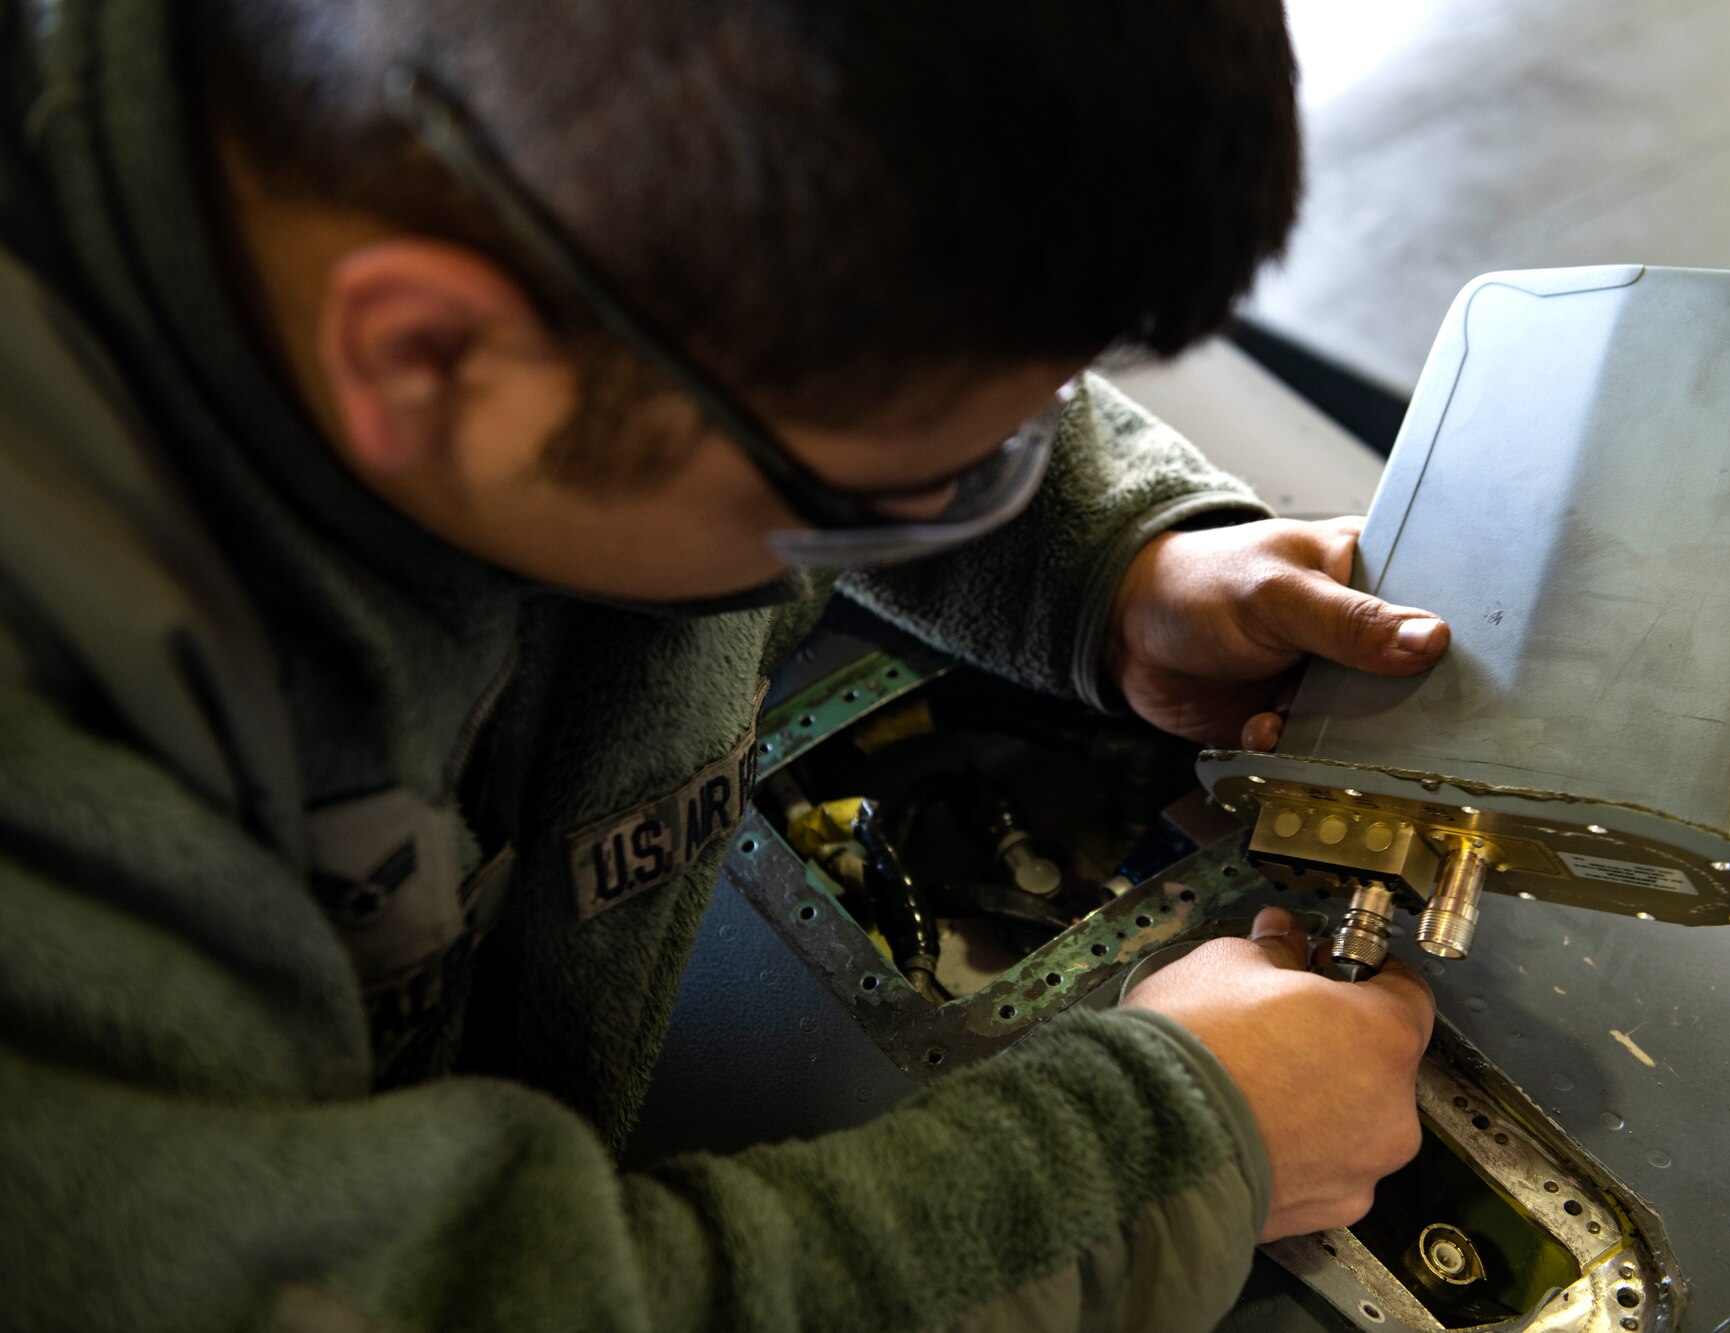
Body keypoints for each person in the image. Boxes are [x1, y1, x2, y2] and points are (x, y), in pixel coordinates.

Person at [0, 1, 1448, 1328]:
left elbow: (797, 318)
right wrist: (1155, 1156)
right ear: (428, 359)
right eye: (901, 490)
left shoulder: (469, 200)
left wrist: (1114, 563)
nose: (967, 494)